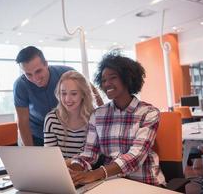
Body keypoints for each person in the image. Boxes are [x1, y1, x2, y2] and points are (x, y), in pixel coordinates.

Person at [69, 52, 166, 186]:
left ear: (128, 78)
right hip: (112, 184)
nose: (107, 83)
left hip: (145, 183)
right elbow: (88, 155)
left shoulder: (148, 113)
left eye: (112, 78)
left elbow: (135, 156)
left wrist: (93, 175)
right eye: (103, 80)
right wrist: (74, 173)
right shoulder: (97, 115)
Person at [13, 46, 74, 146]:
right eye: (28, 74)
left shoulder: (66, 73)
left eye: (38, 71)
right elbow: (23, 122)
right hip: (37, 133)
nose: (35, 78)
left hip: (66, 130)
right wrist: (31, 151)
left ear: (46, 64)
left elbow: (91, 90)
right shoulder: (20, 85)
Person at [44, 71, 94, 160]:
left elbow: (94, 156)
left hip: (88, 172)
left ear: (83, 94)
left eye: (74, 93)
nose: (67, 99)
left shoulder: (94, 118)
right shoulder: (51, 119)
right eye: (63, 93)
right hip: (60, 171)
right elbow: (49, 158)